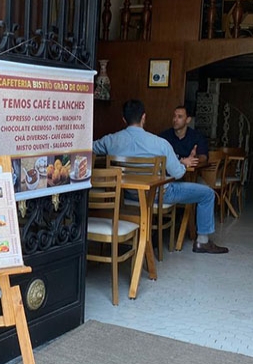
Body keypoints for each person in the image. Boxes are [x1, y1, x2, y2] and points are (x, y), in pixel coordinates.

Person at [92, 99, 228, 254]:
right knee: (208, 193)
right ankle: (202, 242)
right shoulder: (159, 143)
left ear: (124, 119)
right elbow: (178, 173)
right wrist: (184, 163)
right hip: (157, 195)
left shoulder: (110, 140)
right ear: (144, 117)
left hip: (126, 195)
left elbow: (89, 147)